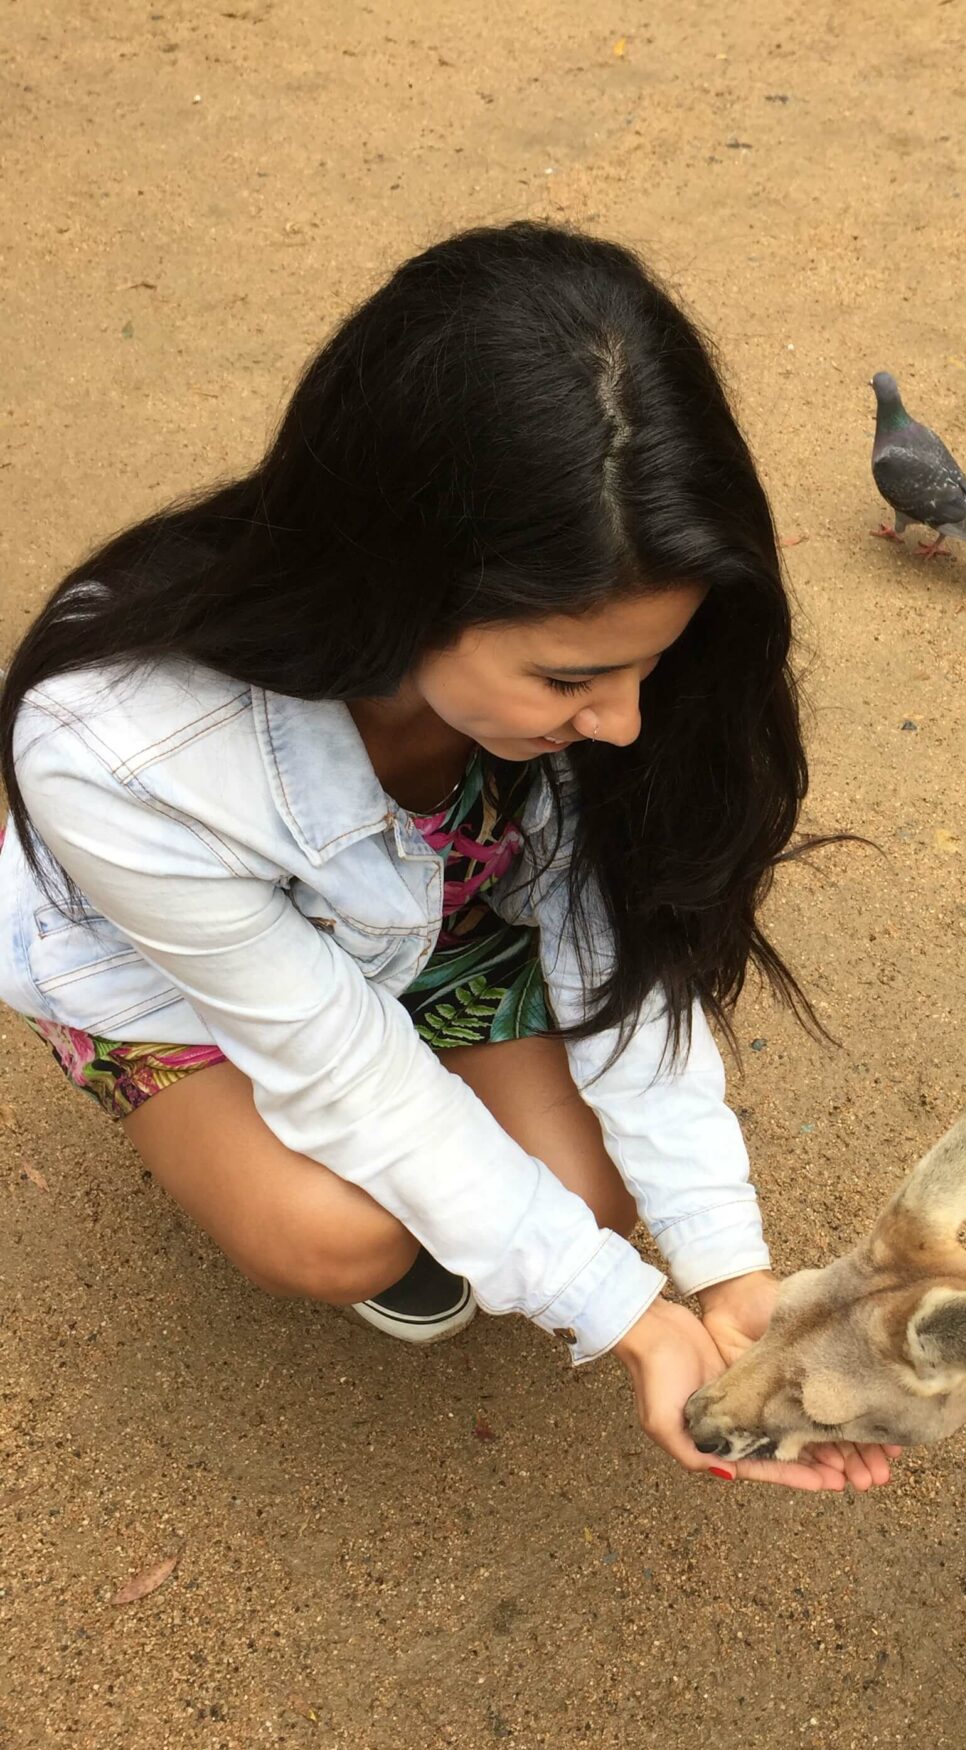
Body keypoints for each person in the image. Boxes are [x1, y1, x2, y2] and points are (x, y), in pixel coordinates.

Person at [0, 221, 896, 1494]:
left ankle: (457, 1152)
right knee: (341, 1230)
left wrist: (721, 1267)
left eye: (656, 662)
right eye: (574, 676)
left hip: (431, 900)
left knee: (582, 1189)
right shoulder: (120, 753)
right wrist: (631, 1320)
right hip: (180, 965)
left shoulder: (579, 680)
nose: (629, 720)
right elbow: (347, 1074)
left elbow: (611, 941)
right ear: (399, 586)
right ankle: (163, 1078)